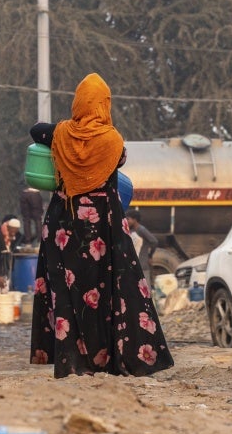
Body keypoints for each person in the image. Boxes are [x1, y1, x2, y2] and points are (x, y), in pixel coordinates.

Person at [28, 72, 173, 377]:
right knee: (110, 292)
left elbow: (35, 130)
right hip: (102, 227)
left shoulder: (61, 134)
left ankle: (72, 362)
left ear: (79, 103)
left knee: (67, 292)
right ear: (105, 105)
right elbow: (119, 162)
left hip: (63, 226)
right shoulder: (114, 141)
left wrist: (66, 131)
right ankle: (108, 359)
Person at [124, 208, 158, 282]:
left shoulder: (142, 230)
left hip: (142, 265)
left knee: (145, 288)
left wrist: (150, 255)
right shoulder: (131, 230)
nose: (126, 221)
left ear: (135, 219)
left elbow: (154, 241)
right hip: (133, 265)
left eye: (128, 219)